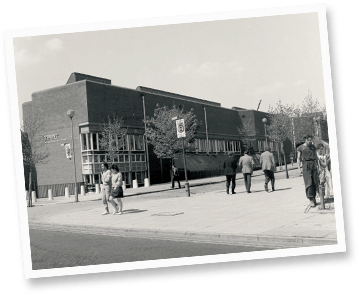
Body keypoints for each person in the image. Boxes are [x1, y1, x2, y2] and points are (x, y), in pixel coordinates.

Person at [297, 135, 319, 207]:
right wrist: (299, 169)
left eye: (311, 140)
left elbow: (316, 156)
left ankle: (314, 197)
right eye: (309, 140)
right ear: (305, 140)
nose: (310, 141)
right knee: (308, 182)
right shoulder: (301, 147)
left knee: (315, 182)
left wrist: (318, 166)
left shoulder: (313, 147)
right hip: (306, 165)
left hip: (313, 164)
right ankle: (311, 199)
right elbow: (298, 158)